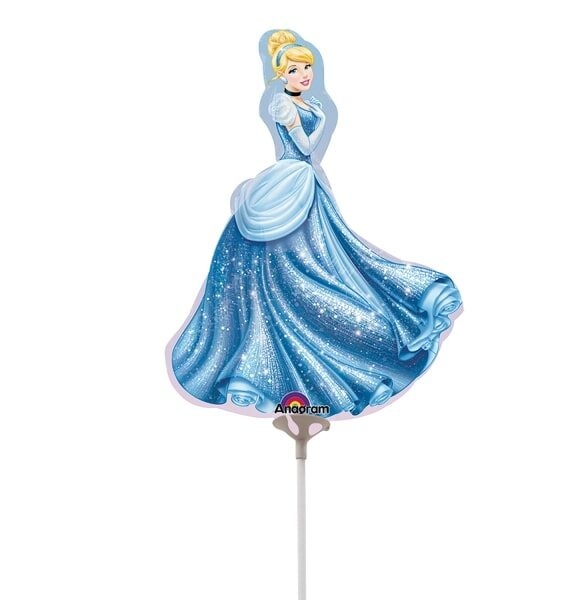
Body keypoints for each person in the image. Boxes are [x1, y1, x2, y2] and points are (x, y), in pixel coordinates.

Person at [167, 30, 462, 418]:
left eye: (307, 67)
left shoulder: (305, 102)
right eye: (295, 69)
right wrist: (321, 120)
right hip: (292, 178)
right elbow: (305, 148)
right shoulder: (283, 105)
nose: (304, 74)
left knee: (334, 252)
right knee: (294, 257)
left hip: (304, 183)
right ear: (281, 74)